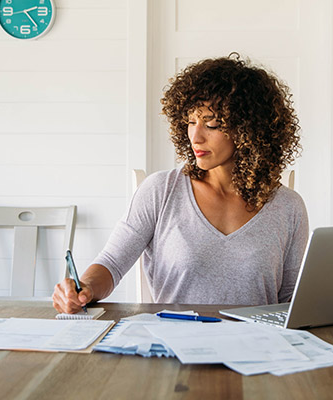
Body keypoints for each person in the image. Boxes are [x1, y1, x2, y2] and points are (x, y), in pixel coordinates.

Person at [53, 53, 309, 314]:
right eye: (190, 122)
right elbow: (111, 263)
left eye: (212, 124)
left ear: (249, 130)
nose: (195, 137)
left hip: (257, 348)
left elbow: (291, 300)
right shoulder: (161, 191)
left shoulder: (288, 207)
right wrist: (83, 288)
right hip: (173, 345)